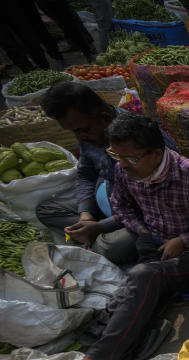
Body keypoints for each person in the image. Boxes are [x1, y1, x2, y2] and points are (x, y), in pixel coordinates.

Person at [36, 114, 189, 360]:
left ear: (156, 154)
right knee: (134, 295)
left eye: (130, 157)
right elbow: (122, 206)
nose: (122, 164)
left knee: (143, 277)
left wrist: (185, 241)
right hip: (156, 250)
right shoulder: (125, 170)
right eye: (116, 156)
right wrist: (143, 231)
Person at [39, 83, 177, 265]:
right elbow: (86, 174)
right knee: (46, 209)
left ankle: (95, 237)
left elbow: (152, 205)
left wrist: (102, 226)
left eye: (82, 130)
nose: (80, 137)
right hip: (109, 207)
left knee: (109, 249)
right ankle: (91, 233)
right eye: (73, 132)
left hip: (145, 217)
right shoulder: (91, 133)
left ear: (105, 118)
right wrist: (85, 213)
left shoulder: (144, 142)